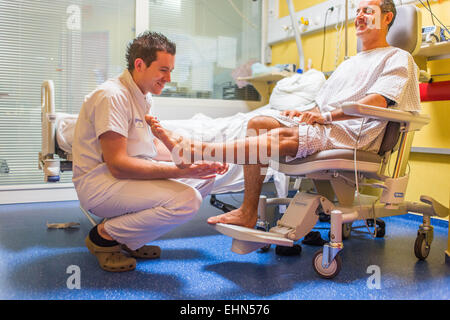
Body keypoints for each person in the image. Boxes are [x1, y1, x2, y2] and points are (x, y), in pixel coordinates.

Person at [146, 0, 421, 229]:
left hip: (355, 132)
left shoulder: (397, 57)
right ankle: (248, 211)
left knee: (283, 136)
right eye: (358, 11)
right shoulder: (349, 64)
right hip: (329, 126)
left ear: (386, 18)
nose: (359, 16)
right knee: (258, 122)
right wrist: (305, 113)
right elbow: (323, 103)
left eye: (367, 11)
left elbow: (380, 100)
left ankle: (199, 150)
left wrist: (326, 117)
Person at [72, 31, 227, 272]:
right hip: (100, 185)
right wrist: (178, 170)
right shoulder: (113, 96)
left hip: (119, 181)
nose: (168, 78)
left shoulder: (142, 97)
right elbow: (118, 165)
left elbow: (149, 148)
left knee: (206, 178)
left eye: (171, 71)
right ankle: (104, 237)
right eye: (163, 70)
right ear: (140, 64)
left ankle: (129, 237)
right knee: (187, 200)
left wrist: (200, 162)